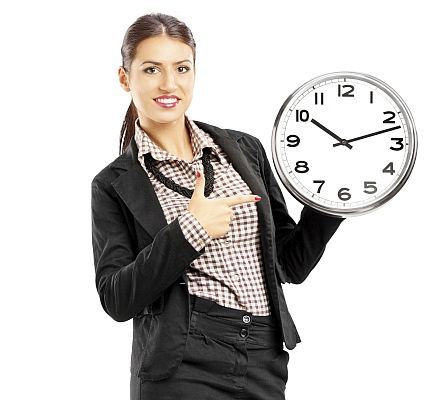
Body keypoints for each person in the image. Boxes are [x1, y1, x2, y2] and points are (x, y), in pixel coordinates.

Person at [90, 13, 344, 400]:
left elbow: (288, 266)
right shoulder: (113, 184)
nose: (169, 84)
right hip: (182, 360)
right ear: (125, 78)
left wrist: (339, 196)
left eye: (182, 68)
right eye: (151, 69)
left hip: (263, 354)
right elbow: (117, 298)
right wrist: (191, 229)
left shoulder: (244, 150)